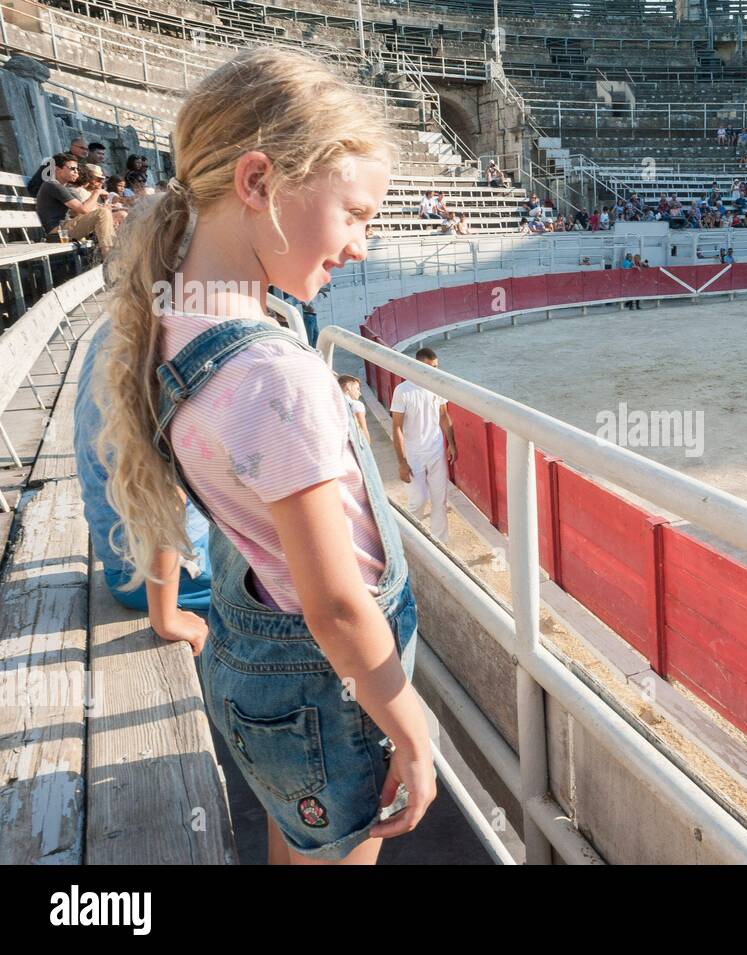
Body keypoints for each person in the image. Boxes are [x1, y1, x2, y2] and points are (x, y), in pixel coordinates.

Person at [93, 47, 435, 865]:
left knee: (296, 840)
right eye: (355, 213)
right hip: (333, 682)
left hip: (265, 667)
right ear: (258, 183)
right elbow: (340, 608)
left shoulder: (178, 321)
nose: (362, 243)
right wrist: (415, 733)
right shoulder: (277, 377)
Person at [74, 323, 212, 640]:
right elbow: (164, 493)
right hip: (161, 570)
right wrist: (166, 620)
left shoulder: (122, 324)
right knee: (296, 597)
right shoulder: (173, 340)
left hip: (125, 554)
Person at [390, 348, 457, 544]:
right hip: (413, 455)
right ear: (419, 365)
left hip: (436, 451)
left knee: (440, 500)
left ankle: (440, 544)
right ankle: (412, 543)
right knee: (417, 501)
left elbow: (443, 415)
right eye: (431, 367)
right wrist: (401, 462)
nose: (435, 371)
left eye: (437, 367)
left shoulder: (438, 386)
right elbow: (397, 428)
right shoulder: (403, 391)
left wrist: (451, 444)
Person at [35, 153, 116, 251]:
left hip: (64, 227)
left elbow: (76, 211)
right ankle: (108, 256)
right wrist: (97, 192)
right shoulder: (53, 185)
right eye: (72, 168)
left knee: (108, 214)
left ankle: (111, 254)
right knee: (102, 213)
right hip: (57, 231)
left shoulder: (59, 186)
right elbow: (84, 209)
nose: (76, 172)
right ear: (57, 169)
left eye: (77, 169)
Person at [338, 374, 371, 446]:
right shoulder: (356, 405)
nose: (360, 393)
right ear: (348, 387)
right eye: (357, 388)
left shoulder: (336, 404)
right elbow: (362, 428)